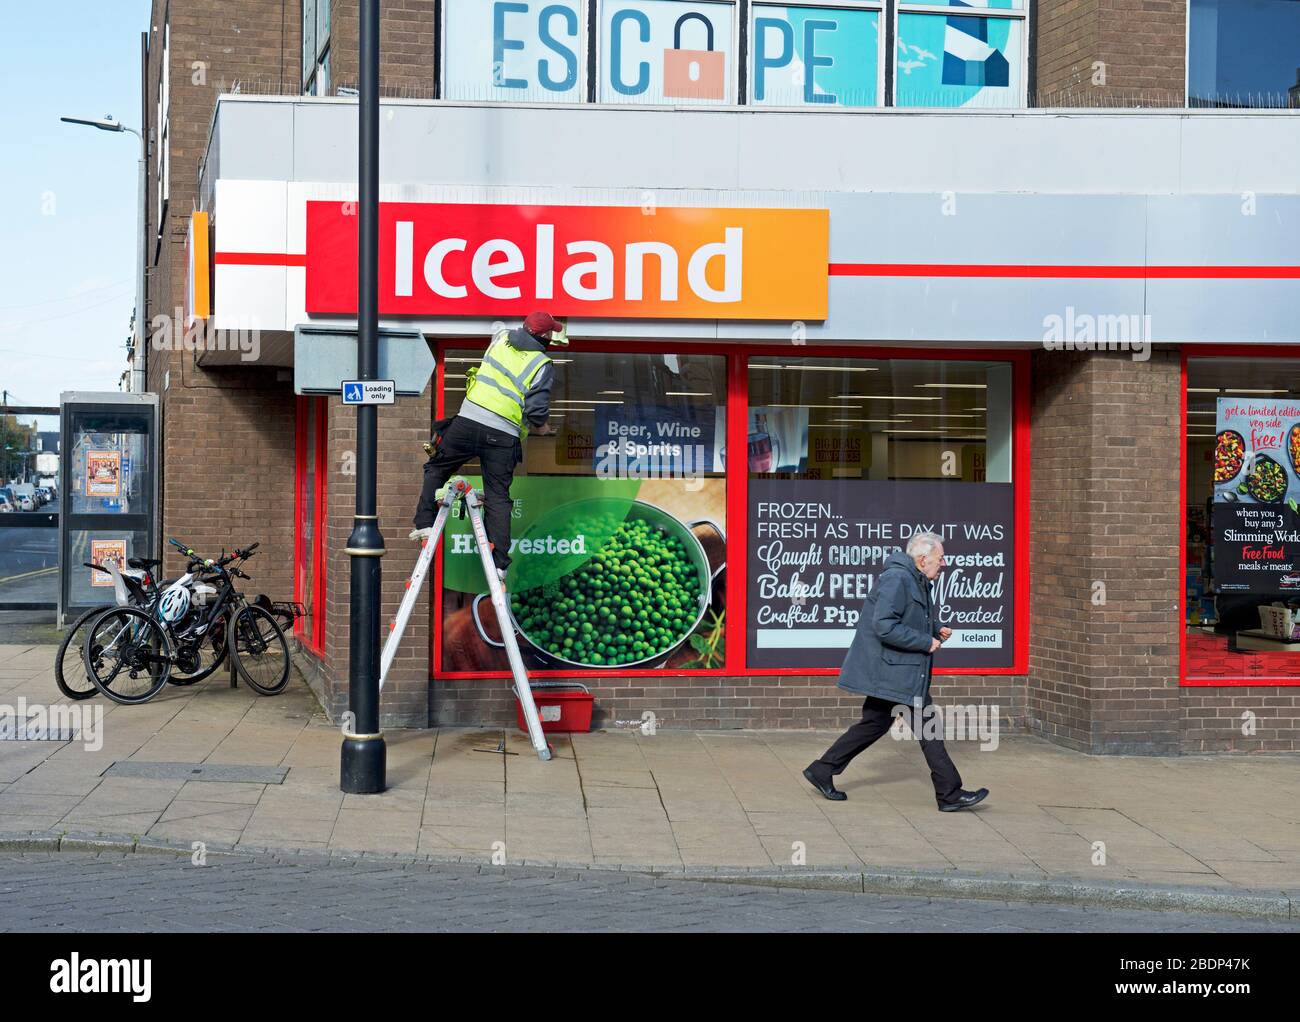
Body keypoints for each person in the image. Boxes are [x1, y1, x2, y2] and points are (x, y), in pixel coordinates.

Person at [803, 531, 989, 812]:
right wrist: (926, 641)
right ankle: (949, 793)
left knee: (874, 724)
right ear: (923, 558)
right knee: (929, 728)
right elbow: (884, 625)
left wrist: (935, 627)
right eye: (940, 558)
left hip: (897, 671)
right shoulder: (898, 579)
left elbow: (910, 617)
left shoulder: (916, 580)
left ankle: (822, 769)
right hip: (897, 672)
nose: (944, 563)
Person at [411, 312, 568, 581]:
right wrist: (541, 428)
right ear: (545, 336)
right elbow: (536, 408)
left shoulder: (501, 337)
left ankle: (425, 524)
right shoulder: (542, 363)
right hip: (503, 435)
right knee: (497, 497)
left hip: (468, 422)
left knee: (436, 467)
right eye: (551, 332)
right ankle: (499, 564)